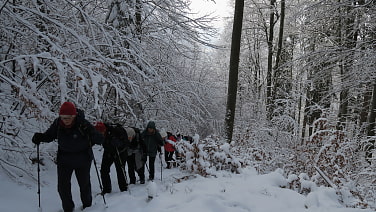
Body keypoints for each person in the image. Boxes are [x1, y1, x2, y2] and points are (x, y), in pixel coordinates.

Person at [32, 102, 103, 212]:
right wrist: (40, 137)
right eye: (63, 117)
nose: (65, 120)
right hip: (64, 159)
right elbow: (49, 135)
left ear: (74, 115)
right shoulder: (58, 124)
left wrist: (94, 135)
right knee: (62, 187)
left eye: (68, 117)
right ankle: (68, 209)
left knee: (84, 185)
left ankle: (88, 207)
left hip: (83, 159)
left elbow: (99, 139)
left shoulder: (83, 124)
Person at [94, 122, 130, 194]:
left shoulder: (116, 131)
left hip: (120, 152)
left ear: (104, 129)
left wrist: (119, 144)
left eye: (101, 132)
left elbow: (126, 143)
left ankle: (123, 188)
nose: (101, 134)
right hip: (108, 151)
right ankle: (106, 189)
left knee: (120, 170)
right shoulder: (98, 134)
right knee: (104, 170)